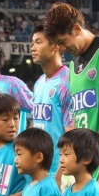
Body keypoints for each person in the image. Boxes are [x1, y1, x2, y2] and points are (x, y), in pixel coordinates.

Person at [42, 2, 99, 139]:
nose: (62, 48)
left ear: (77, 29)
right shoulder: (72, 66)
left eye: (63, 41)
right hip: (85, 154)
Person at [30, 24, 72, 186]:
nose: (33, 47)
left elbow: (71, 133)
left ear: (55, 46)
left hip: (58, 173)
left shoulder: (67, 82)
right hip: (40, 171)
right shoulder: (39, 83)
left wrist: (60, 173)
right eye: (32, 43)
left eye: (38, 42)